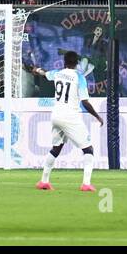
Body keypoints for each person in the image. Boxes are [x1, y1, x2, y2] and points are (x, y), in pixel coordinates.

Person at [30, 50, 103, 192]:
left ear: (64, 62)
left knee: (56, 148)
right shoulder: (79, 77)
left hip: (56, 116)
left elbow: (45, 73)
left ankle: (44, 181)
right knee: (88, 149)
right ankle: (86, 184)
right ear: (77, 63)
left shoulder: (58, 73)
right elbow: (85, 102)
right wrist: (97, 116)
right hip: (70, 117)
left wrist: (36, 69)